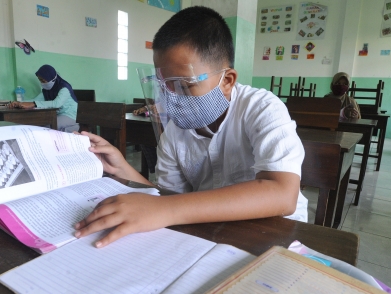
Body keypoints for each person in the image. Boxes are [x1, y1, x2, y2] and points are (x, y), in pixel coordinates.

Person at [74, 6, 307, 248]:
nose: (171, 98)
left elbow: (282, 194)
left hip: (279, 236)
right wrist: (123, 169)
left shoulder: (262, 108)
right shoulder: (175, 132)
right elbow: (168, 198)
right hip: (212, 234)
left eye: (184, 85)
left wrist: (165, 208)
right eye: (164, 86)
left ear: (227, 81)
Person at [9, 65, 79, 132]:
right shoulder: (47, 89)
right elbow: (36, 100)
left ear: (51, 78)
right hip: (57, 115)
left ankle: (75, 127)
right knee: (41, 124)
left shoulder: (64, 88)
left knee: (47, 127)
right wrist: (19, 103)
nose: (41, 83)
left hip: (70, 115)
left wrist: (34, 104)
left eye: (43, 80)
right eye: (40, 80)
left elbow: (56, 103)